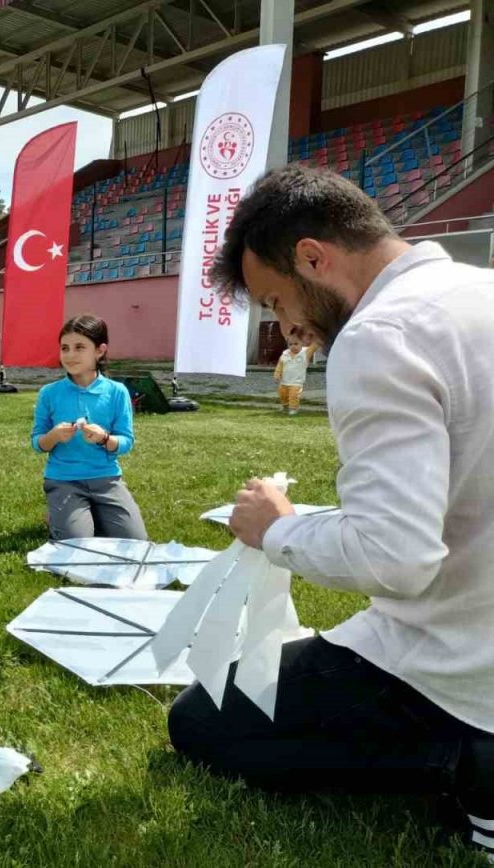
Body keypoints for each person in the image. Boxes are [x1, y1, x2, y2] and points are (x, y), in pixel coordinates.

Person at [166, 166, 494, 858]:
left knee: (202, 721)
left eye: (277, 300)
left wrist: (276, 528)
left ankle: (469, 762)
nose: (288, 327)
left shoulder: (380, 336)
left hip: (457, 661)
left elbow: (396, 556)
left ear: (315, 257)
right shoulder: (479, 291)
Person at [31, 314, 146, 541]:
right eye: (65, 348)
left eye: (80, 347)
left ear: (100, 351)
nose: (70, 355)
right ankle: (63, 514)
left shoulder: (116, 392)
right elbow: (37, 443)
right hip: (63, 481)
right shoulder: (50, 393)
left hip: (107, 480)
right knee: (77, 546)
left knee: (136, 543)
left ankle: (86, 513)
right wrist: (53, 436)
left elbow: (126, 442)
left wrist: (105, 439)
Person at [273, 336, 315, 416]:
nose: (293, 346)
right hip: (284, 381)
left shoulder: (305, 353)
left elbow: (315, 346)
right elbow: (279, 365)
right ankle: (285, 406)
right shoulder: (285, 354)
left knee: (294, 395)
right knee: (282, 394)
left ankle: (293, 408)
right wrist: (277, 375)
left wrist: (316, 335)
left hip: (297, 382)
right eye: (290, 344)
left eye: (296, 344)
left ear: (302, 343)